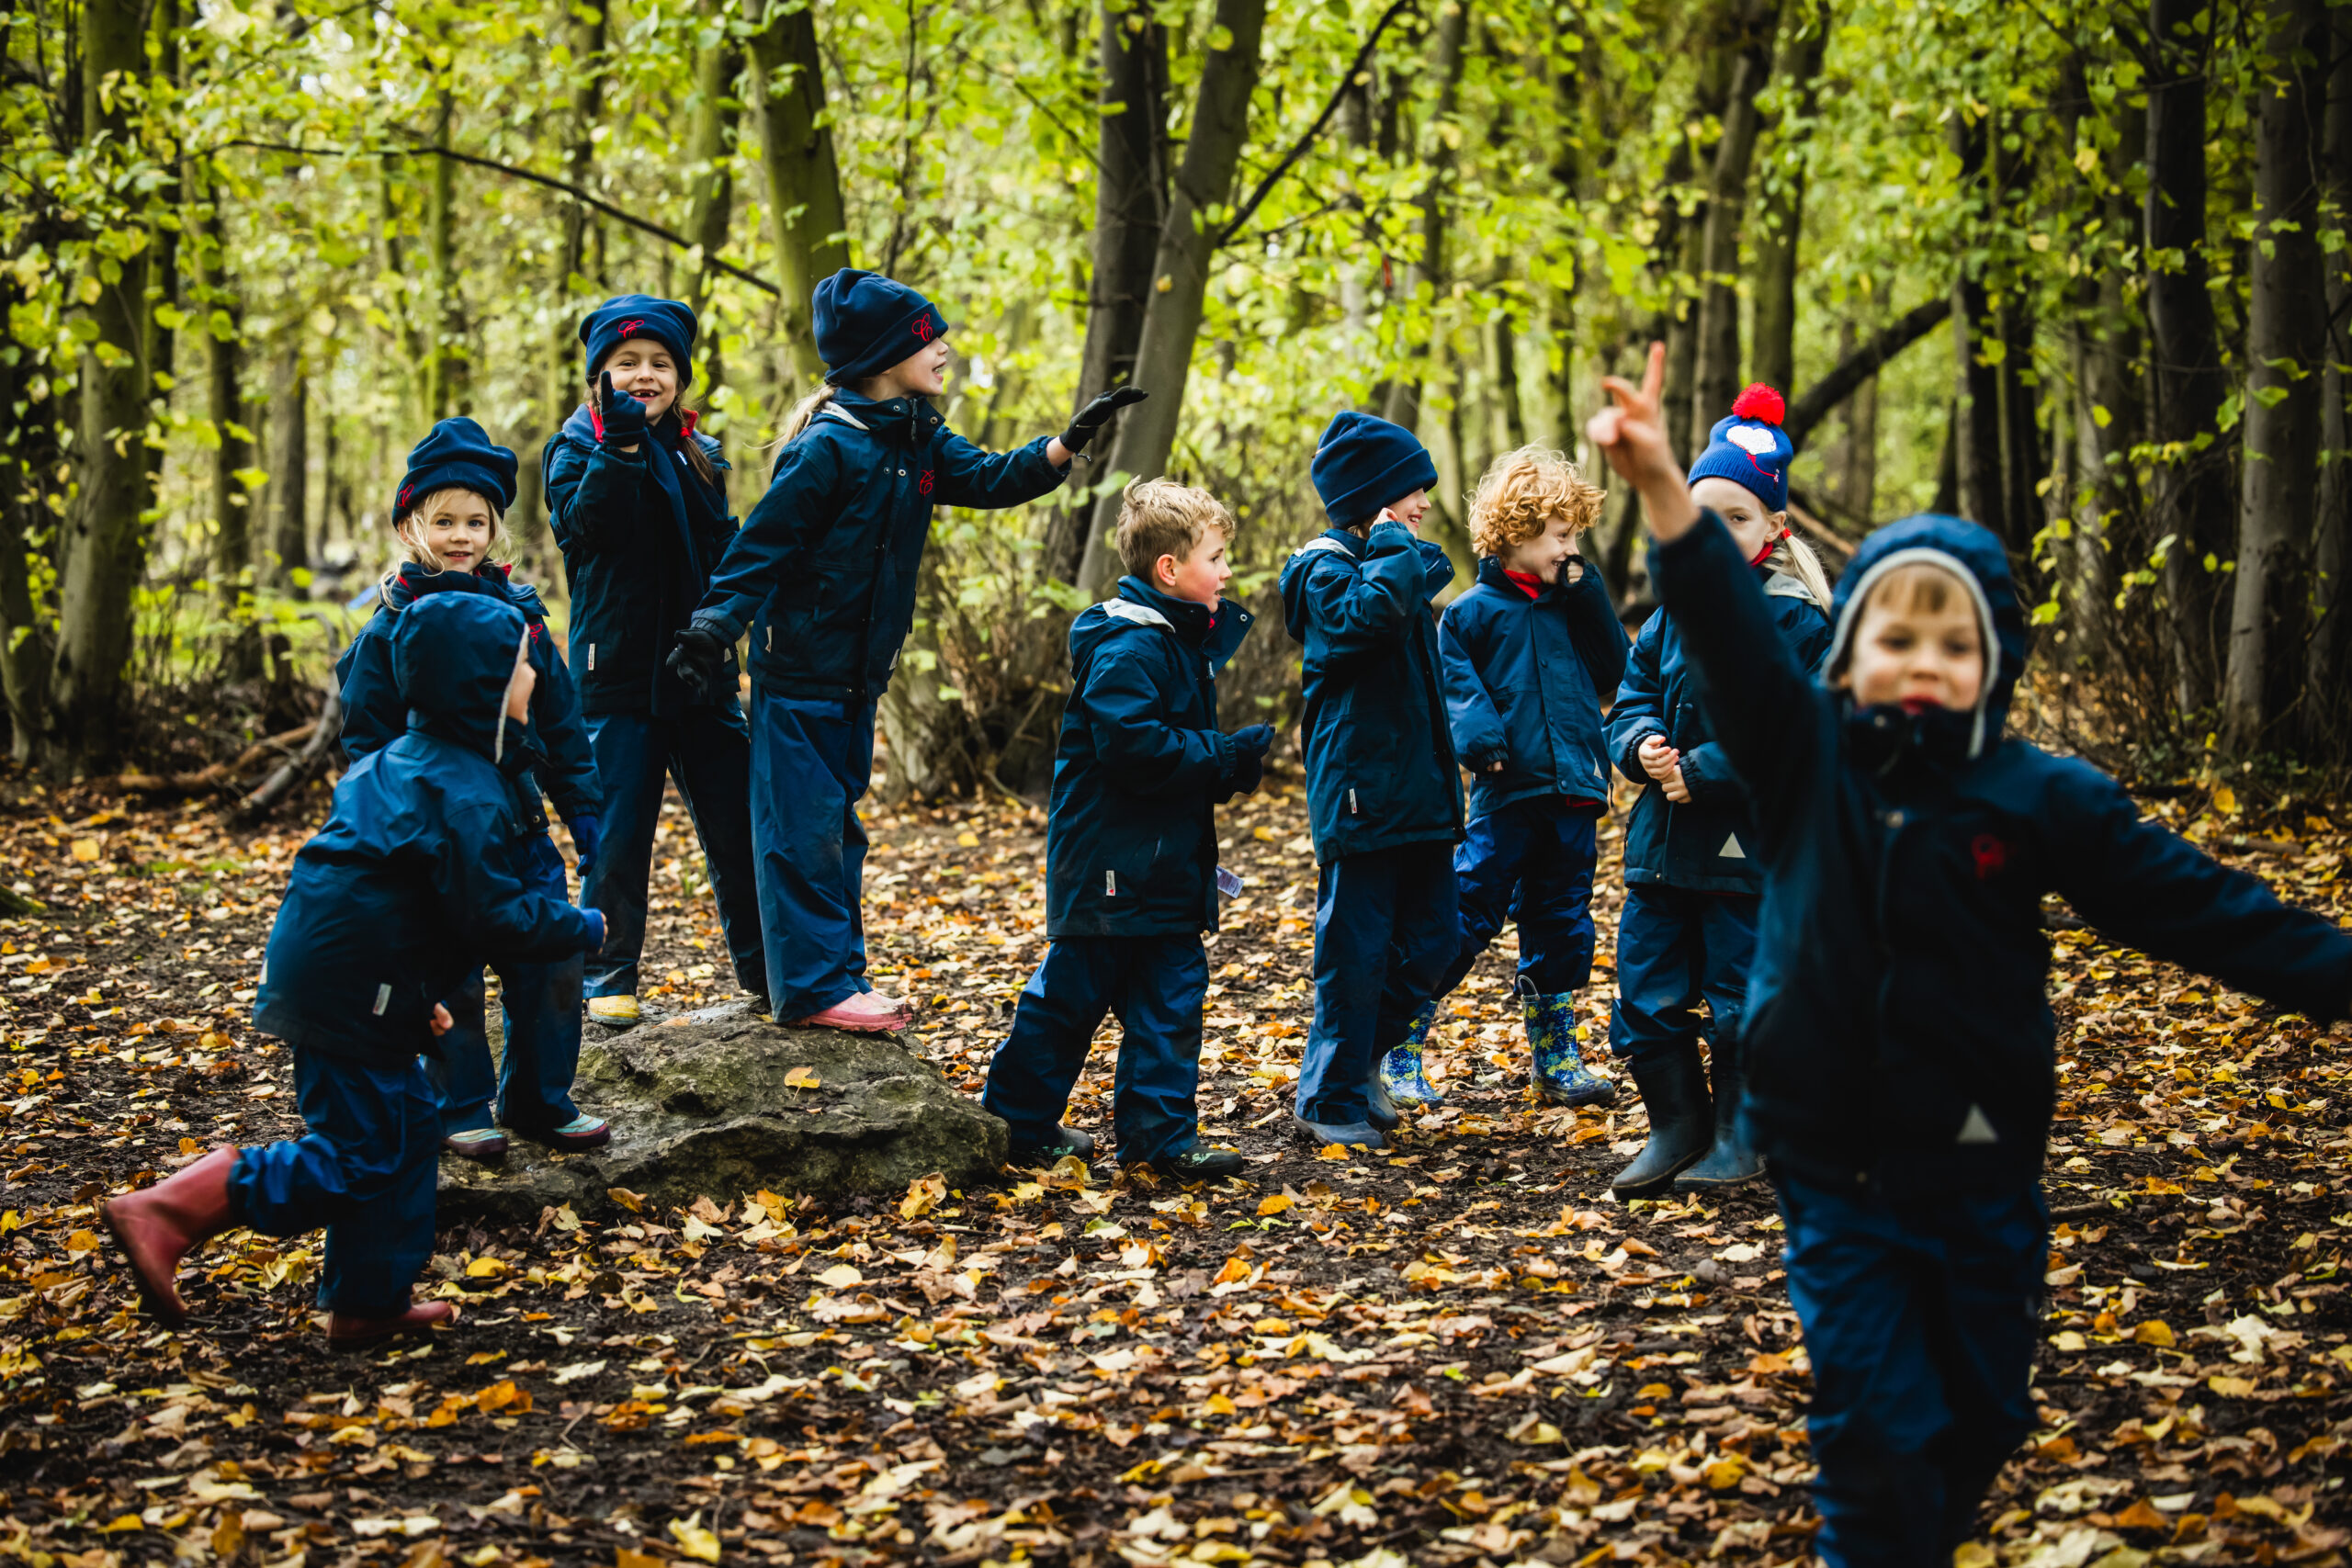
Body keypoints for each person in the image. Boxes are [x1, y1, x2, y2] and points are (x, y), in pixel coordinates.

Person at [1586, 343, 2352, 1567]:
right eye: (1898, 636)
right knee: (1871, 1425)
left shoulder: (2037, 797)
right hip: (1835, 1164)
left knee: (1983, 1409)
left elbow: (2199, 906)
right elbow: (1726, 633)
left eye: (1955, 642)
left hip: (1986, 1165)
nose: (1924, 661)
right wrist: (1667, 488)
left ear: (1993, 665)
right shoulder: (1802, 761)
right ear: (1846, 653)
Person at [103, 593, 605, 1347]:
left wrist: (419, 993)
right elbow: (491, 915)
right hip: (347, 989)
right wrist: (582, 925)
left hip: (358, 977)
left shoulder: (409, 764)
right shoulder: (461, 789)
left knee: (404, 1132)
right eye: (522, 663)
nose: (534, 673)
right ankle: (178, 1206)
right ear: (483, 684)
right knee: (362, 1149)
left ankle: (368, 1299)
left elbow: (404, 899)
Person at [669, 268, 1143, 1032]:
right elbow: (761, 548)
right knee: (801, 830)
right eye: (929, 338)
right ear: (884, 355)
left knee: (837, 830)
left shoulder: (914, 437)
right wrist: (712, 628)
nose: (945, 349)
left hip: (859, 677)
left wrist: (1064, 445)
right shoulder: (828, 448)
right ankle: (813, 988)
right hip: (800, 674)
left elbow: (991, 478)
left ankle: (836, 975)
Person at [335, 418, 612, 1157]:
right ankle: (461, 1104)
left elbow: (559, 721)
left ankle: (540, 1097)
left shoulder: (521, 616)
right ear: (409, 525)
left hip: (519, 824)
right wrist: (387, 830)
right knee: (447, 972)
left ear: (495, 527)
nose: (461, 535)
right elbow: (365, 741)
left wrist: (582, 809)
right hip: (433, 839)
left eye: (476, 521)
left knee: (551, 955)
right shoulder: (388, 627)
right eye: (444, 520)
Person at [980, 479, 1270, 1177]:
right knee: (1070, 999)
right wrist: (1224, 756)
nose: (1227, 570)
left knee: (1171, 999)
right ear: (1169, 570)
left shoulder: (1176, 642)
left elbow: (1164, 750)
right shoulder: (1128, 647)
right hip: (1108, 866)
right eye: (1217, 555)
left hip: (1164, 866)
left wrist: (1220, 765)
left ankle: (1159, 1139)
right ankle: (1017, 1125)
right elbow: (1134, 748)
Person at [1604, 385, 1834, 1197]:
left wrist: (1703, 769)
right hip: (1662, 846)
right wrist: (1641, 746)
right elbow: (1629, 695)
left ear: (1776, 528)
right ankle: (1677, 1124)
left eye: (1737, 517)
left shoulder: (1800, 624)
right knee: (1647, 983)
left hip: (1747, 851)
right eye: (1702, 514)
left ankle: (1743, 1131)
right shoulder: (1669, 617)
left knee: (1740, 990)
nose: (1715, 532)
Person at [1377, 446, 1627, 1116]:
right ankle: (1399, 1043)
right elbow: (1455, 682)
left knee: (1564, 921)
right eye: (1560, 534)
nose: (1571, 547)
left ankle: (1556, 1056)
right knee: (1467, 908)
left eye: (1576, 534)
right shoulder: (1469, 612)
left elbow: (1616, 669)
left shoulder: (1572, 603)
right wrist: (1481, 739)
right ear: (1516, 533)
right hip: (1506, 789)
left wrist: (1591, 592)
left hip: (1574, 787)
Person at [545, 295, 767, 1028]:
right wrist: (620, 448)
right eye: (627, 363)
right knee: (618, 832)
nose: (644, 375)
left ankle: (769, 972)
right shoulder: (574, 448)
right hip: (616, 675)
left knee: (737, 822)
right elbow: (589, 531)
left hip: (699, 670)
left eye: (660, 364)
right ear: (599, 375)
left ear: (680, 375)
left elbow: (728, 555)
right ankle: (607, 974)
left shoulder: (702, 454)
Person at [1279, 411, 1463, 1151]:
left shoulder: (1394, 558)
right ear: (1373, 496)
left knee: (1434, 941)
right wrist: (1391, 546)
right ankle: (1327, 1096)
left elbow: (1429, 577)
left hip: (1420, 791)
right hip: (1360, 793)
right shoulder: (1322, 569)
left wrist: (1397, 546)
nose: (1423, 503)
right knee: (1355, 950)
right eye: (1412, 489)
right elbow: (1363, 622)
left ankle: (1357, 1066)